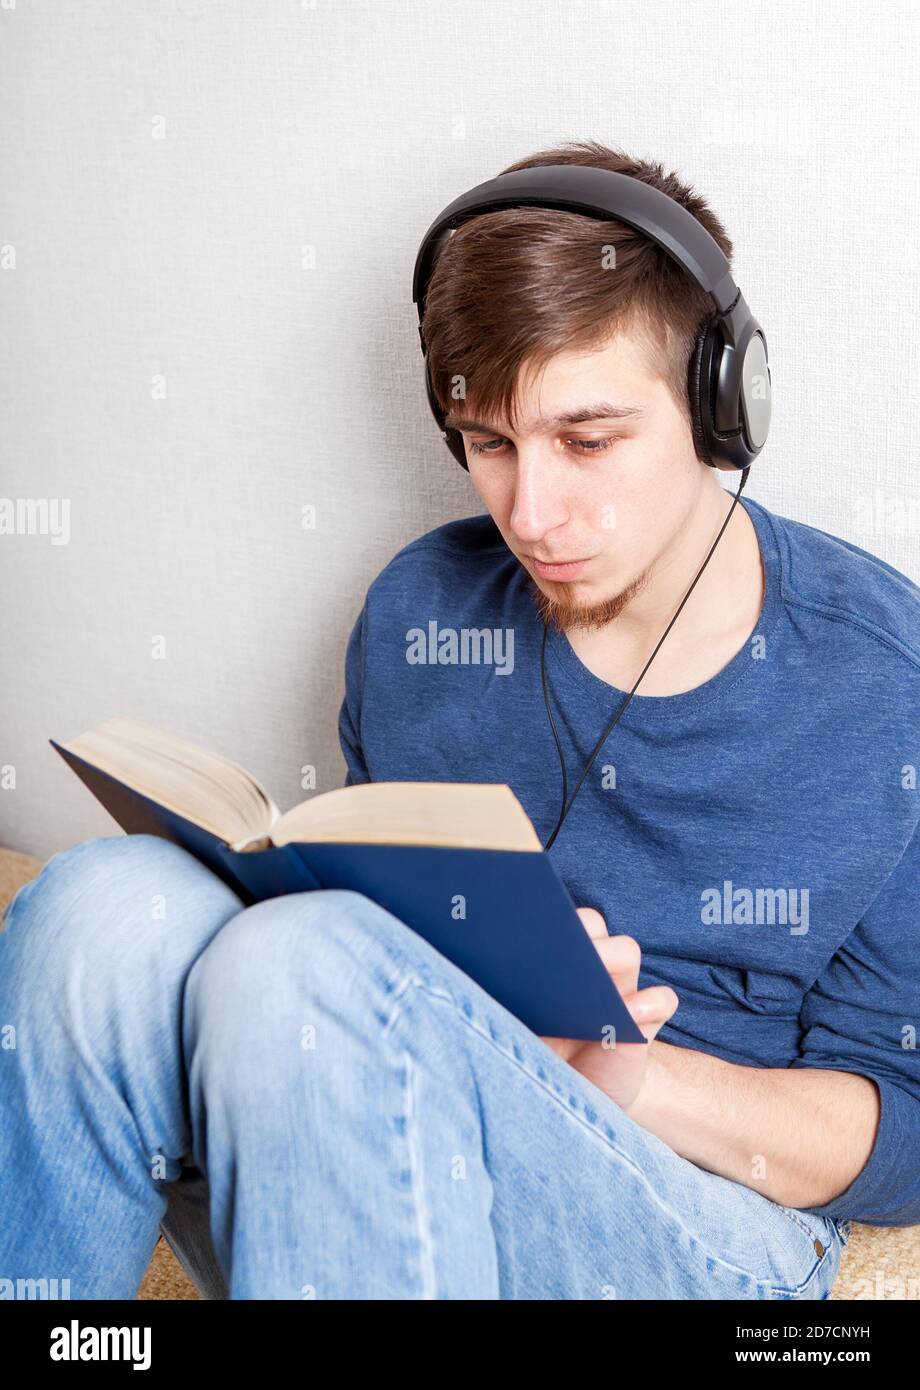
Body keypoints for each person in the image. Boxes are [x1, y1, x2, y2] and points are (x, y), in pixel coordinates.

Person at [1, 143, 917, 1300]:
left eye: (586, 440)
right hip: (381, 1109)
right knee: (101, 904)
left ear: (720, 404)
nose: (531, 513)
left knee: (302, 961)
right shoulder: (419, 611)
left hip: (693, 1204)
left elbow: (906, 1135)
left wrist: (628, 1078)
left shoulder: (884, 679)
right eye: (490, 444)